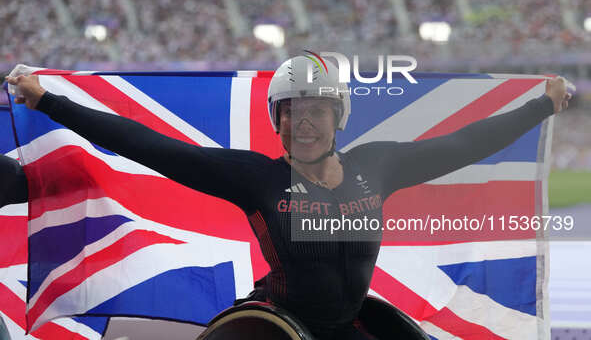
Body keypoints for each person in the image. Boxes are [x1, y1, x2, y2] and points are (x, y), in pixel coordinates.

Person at [3, 56, 571, 340]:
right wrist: (48, 101)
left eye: (317, 111)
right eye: (292, 112)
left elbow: (466, 142)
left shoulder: (378, 165)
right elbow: (148, 145)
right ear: (277, 120)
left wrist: (541, 104)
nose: (305, 124)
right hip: (272, 326)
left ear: (338, 117)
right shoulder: (256, 178)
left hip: (352, 322)